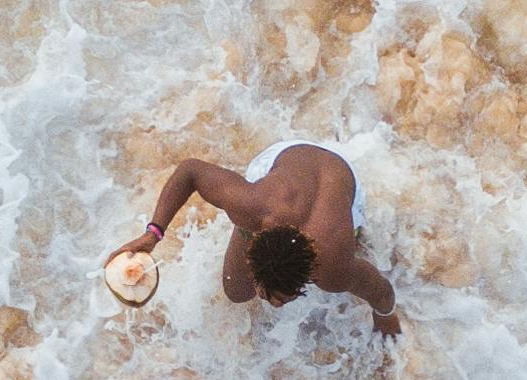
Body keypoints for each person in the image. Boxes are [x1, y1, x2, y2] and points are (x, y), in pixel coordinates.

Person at [112, 141, 400, 335]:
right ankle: (248, 232)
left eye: (284, 298)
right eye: (273, 296)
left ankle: (350, 227)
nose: (275, 304)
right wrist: (154, 234)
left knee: (349, 238)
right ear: (253, 247)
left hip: (341, 177)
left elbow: (382, 292)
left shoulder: (336, 268)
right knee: (236, 291)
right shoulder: (251, 205)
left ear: (311, 273)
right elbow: (190, 170)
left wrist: (386, 321)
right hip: (286, 155)